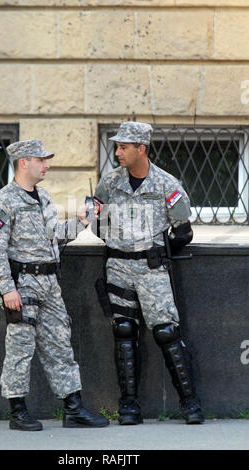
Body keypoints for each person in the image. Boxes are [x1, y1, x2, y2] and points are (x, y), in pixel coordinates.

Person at [0, 139, 109, 431]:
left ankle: (74, 408)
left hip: (50, 284)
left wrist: (81, 222)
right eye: (41, 160)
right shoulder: (4, 201)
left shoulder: (44, 197)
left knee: (60, 345)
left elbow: (55, 236)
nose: (47, 165)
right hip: (22, 285)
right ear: (23, 162)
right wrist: (7, 288)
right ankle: (18, 411)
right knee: (20, 348)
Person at [91, 122, 204, 425]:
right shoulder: (110, 183)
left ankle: (190, 403)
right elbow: (96, 223)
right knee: (124, 331)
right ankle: (129, 407)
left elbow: (183, 231)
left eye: (124, 147)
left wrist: (154, 249)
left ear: (141, 148)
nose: (118, 152)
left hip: (151, 270)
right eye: (116, 146)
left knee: (167, 332)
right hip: (117, 266)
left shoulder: (167, 185)